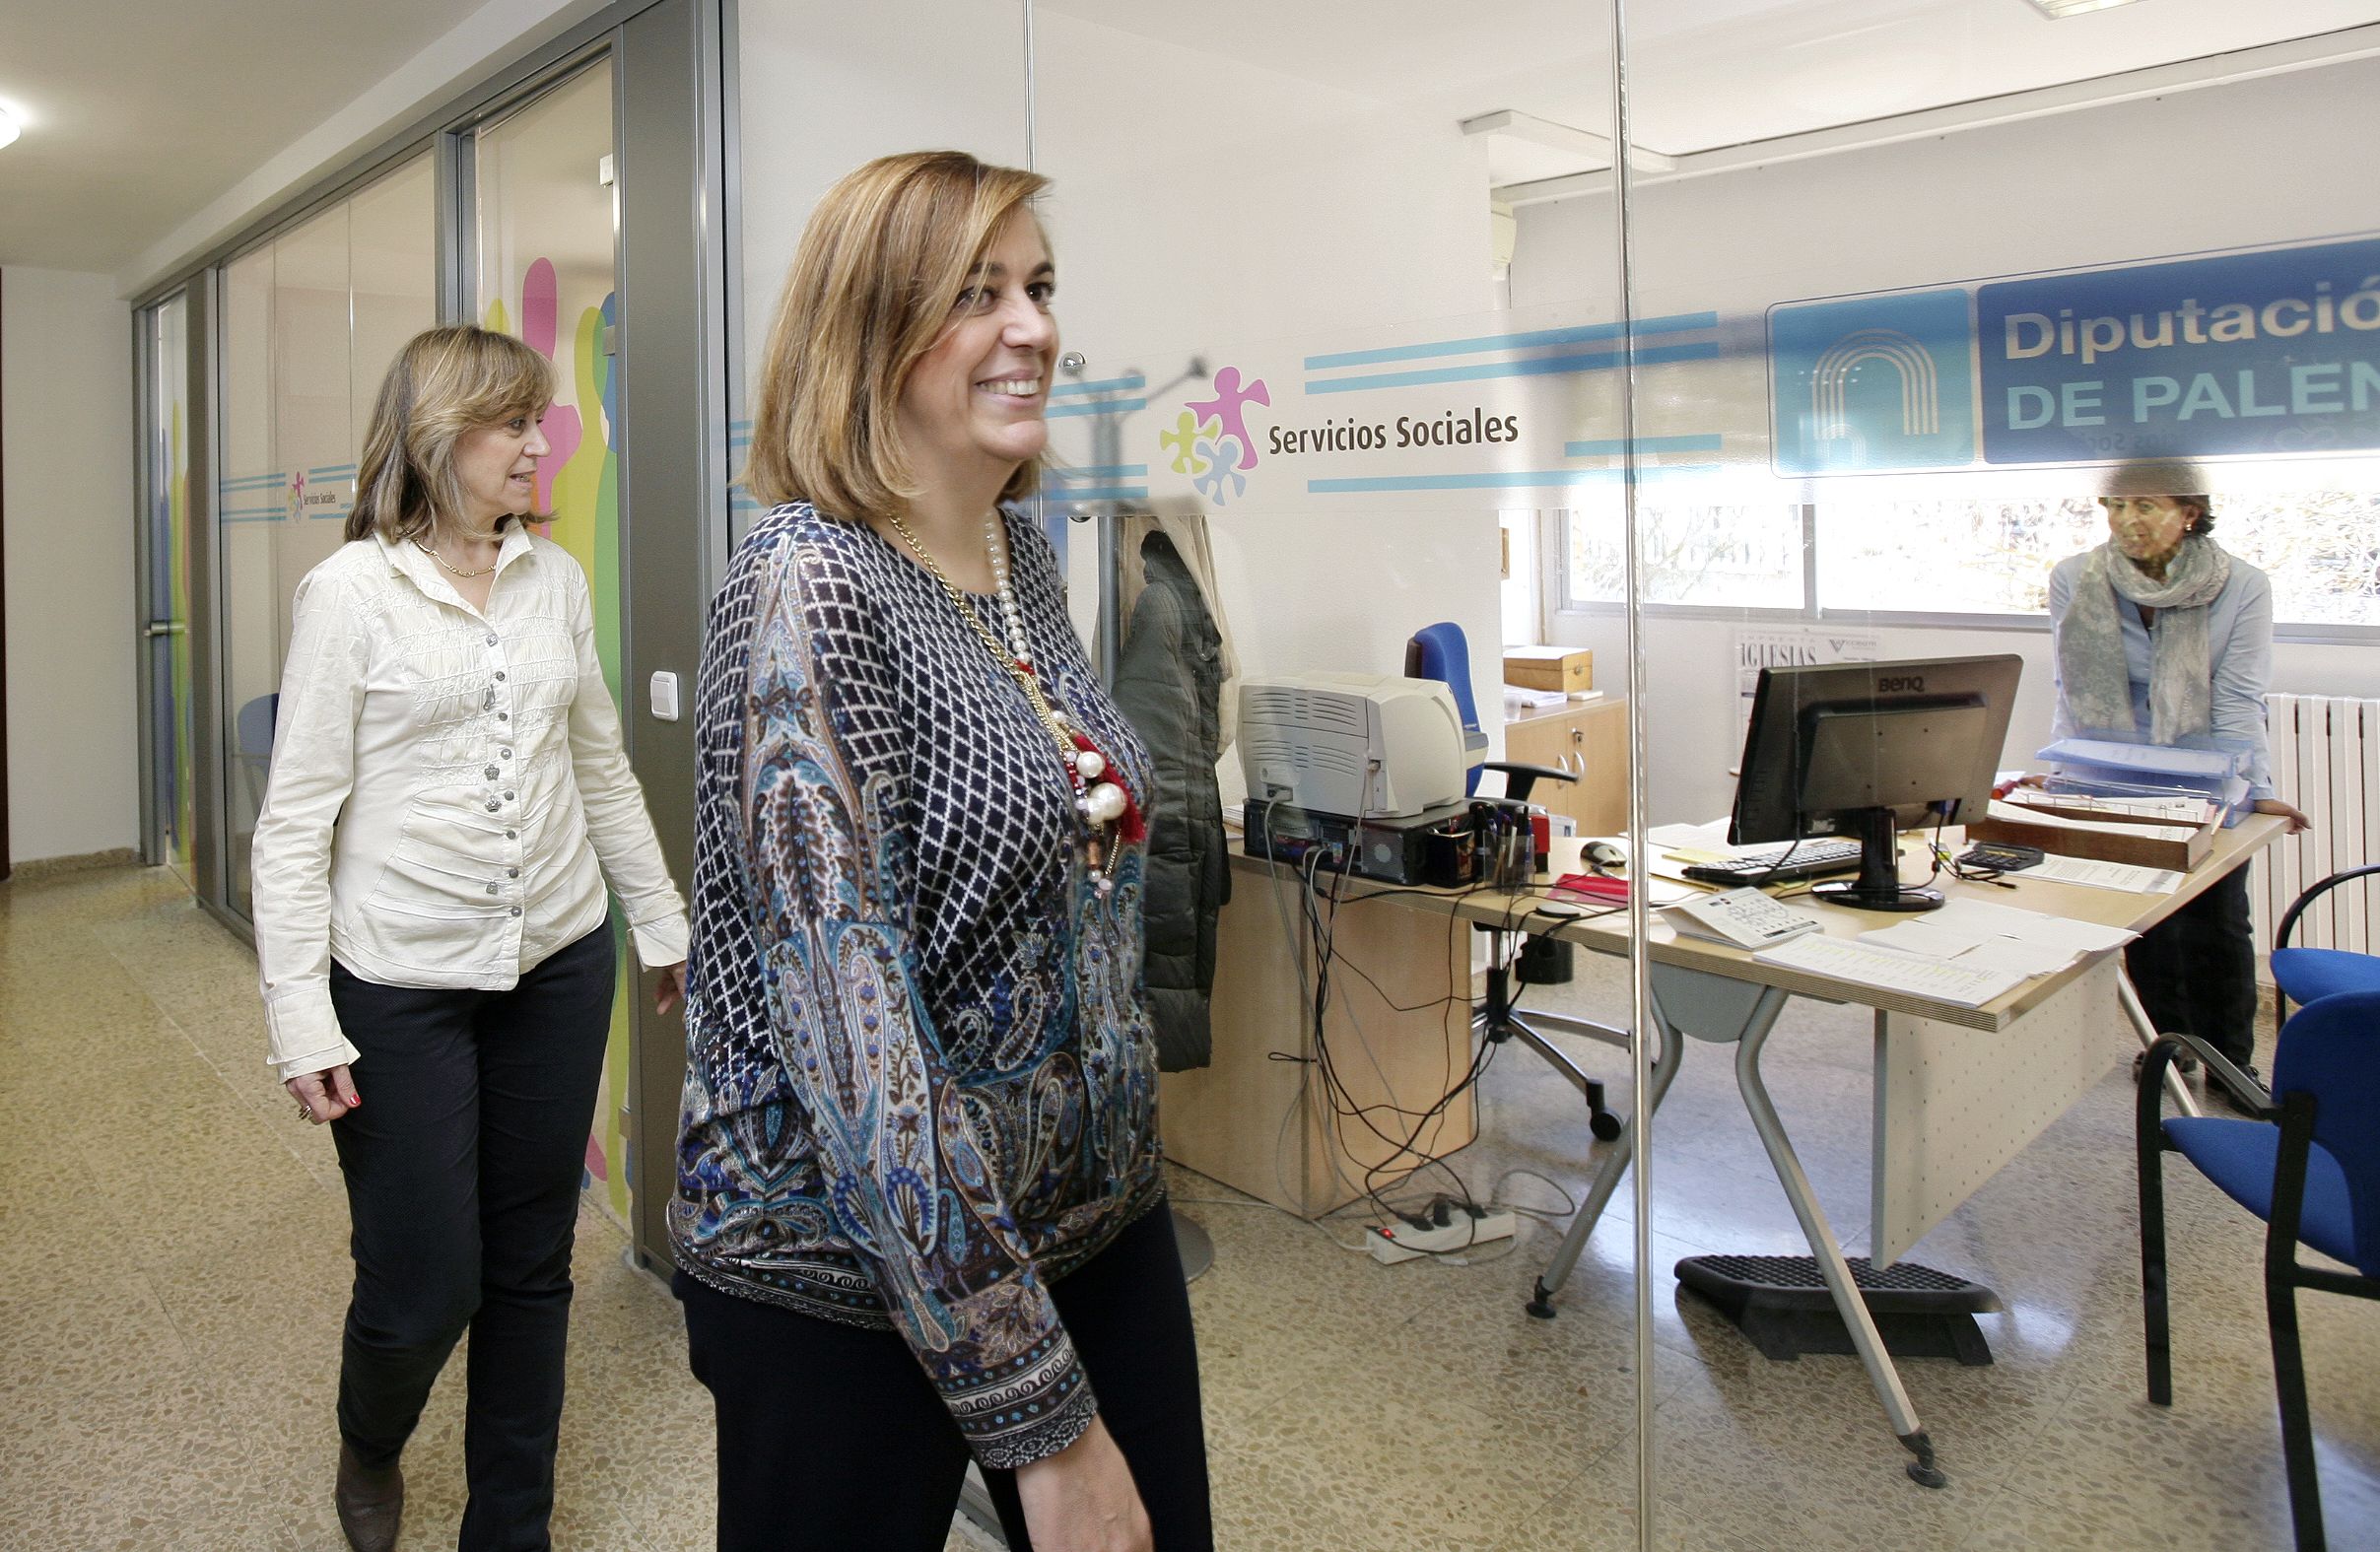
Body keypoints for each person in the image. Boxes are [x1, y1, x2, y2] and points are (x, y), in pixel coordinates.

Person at [668, 150, 1212, 1552]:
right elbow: (854, 1040)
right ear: (868, 329)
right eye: (977, 293)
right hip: (839, 1266)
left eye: (1038, 286)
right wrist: (1044, 1422)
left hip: (1090, 1220)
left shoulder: (1017, 558)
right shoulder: (807, 582)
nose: (1031, 326)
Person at [249, 324, 690, 1552]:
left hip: (557, 959)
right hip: (399, 980)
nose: (540, 445)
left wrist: (660, 920)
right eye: (513, 424)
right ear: (439, 437)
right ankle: (370, 1436)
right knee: (424, 1284)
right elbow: (296, 821)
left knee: (529, 1265)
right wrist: (301, 1018)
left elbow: (598, 766)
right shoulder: (351, 594)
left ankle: (511, 1527)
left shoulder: (556, 581)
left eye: (540, 420)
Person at [2043, 463, 2310, 1108]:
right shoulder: (2075, 577)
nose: (2126, 520)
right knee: (2147, 919)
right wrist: (2061, 776)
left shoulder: (2241, 585)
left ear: (2189, 512)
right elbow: (2072, 689)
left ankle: (2231, 1062)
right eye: (2115, 505)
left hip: (2206, 767)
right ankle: (2170, 1044)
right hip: (2111, 769)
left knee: (2218, 920)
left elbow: (2238, 697)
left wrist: (2253, 789)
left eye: (2146, 505)